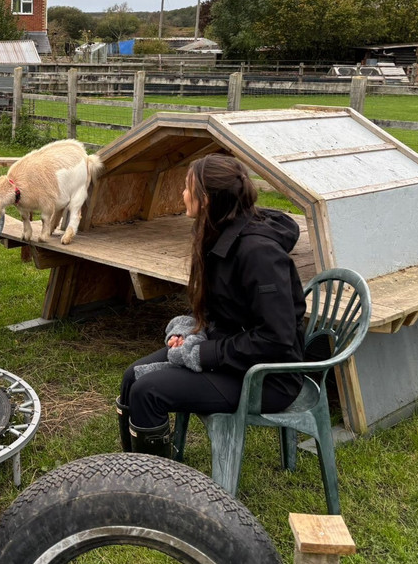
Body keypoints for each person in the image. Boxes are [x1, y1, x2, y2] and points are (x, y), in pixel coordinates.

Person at [117, 153, 307, 457]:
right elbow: (228, 310)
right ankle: (134, 468)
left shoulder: (259, 254)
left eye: (188, 187)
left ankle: (152, 489)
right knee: (132, 376)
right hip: (234, 356)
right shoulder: (218, 233)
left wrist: (203, 353)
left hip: (268, 377)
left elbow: (277, 338)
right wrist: (195, 331)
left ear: (205, 198)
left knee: (147, 391)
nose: (183, 194)